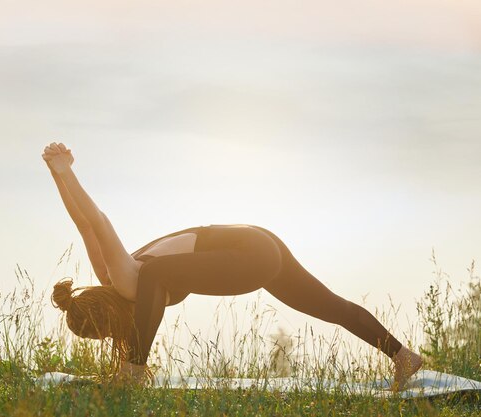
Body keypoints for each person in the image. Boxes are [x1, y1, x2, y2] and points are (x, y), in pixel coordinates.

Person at [42, 142, 423, 390]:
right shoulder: (113, 273)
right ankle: (403, 357)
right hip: (256, 243)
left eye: (105, 334)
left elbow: (100, 221)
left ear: (107, 319)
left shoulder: (126, 281)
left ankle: (134, 373)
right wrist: (57, 172)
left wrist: (64, 172)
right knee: (329, 306)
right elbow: (85, 224)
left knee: (156, 274)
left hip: (250, 252)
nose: (111, 338)